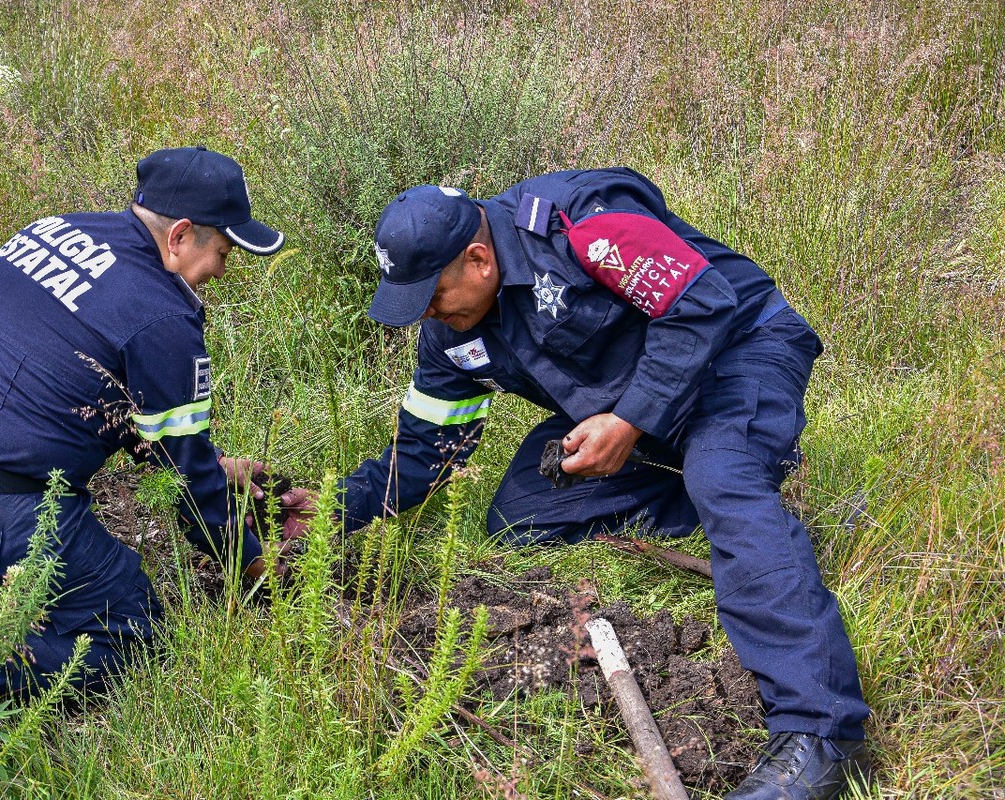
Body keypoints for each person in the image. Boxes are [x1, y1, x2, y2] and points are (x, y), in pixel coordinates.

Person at [314, 171, 872, 800]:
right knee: (521, 515)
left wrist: (630, 420)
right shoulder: (450, 335)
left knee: (723, 476)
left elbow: (703, 304)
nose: (431, 315)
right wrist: (334, 511)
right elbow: (425, 450)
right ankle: (751, 508)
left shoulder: (577, 224)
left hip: (737, 353)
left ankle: (823, 735)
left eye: (436, 295)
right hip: (635, 400)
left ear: (476, 257)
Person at [0, 147, 298, 695]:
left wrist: (216, 468)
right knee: (132, 636)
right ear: (179, 236)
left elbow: (81, 387)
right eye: (222, 251)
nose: (221, 270)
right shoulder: (164, 316)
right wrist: (257, 567)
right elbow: (188, 493)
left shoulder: (54, 230)